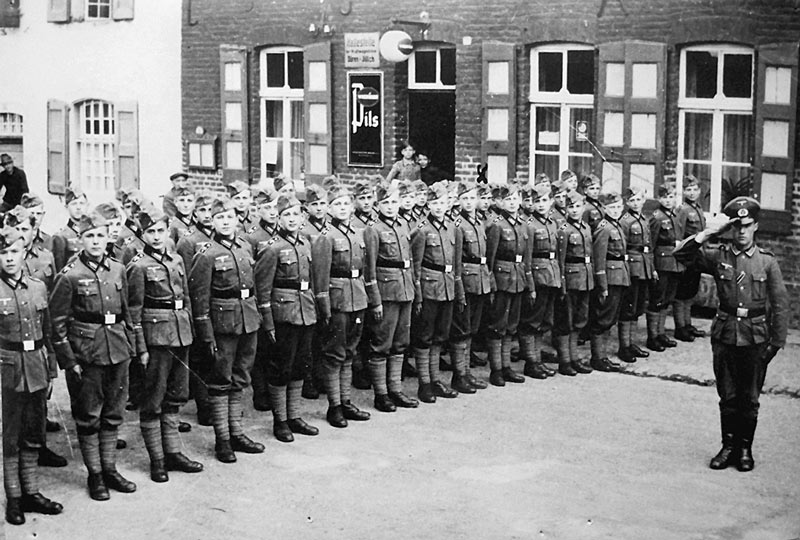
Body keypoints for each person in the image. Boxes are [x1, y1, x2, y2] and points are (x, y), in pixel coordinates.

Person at [674, 197, 787, 472]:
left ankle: (745, 449)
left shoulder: (767, 262)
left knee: (749, 399)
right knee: (728, 396)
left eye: (747, 226)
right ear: (730, 229)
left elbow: (780, 304)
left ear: (755, 226)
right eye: (737, 226)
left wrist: (776, 343)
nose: (742, 232)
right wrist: (708, 233)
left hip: (755, 338)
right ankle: (727, 447)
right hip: (725, 335)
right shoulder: (718, 256)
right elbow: (681, 254)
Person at [50, 211, 137, 501]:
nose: (96, 241)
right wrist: (69, 361)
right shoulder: (70, 275)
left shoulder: (118, 268)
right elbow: (57, 323)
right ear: (81, 239)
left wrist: (132, 346)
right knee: (89, 415)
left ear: (109, 236)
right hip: (86, 352)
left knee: (113, 411)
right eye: (90, 236)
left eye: (100, 235)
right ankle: (95, 474)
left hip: (118, 347)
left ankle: (110, 468)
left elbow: (126, 311)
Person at [127, 204, 203, 482]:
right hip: (156, 338)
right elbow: (134, 312)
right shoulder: (137, 266)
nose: (157, 237)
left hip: (180, 333)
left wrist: (190, 329)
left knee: (175, 395)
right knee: (153, 399)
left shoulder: (176, 260)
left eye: (161, 231)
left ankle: (173, 452)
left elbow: (187, 298)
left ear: (168, 231)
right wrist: (141, 348)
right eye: (150, 232)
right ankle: (157, 459)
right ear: (142, 234)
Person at [188, 194, 264, 462]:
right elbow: (199, 298)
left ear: (237, 219)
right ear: (212, 221)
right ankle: (222, 440)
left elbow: (253, 285)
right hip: (222, 324)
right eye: (219, 217)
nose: (225, 222)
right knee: (221, 379)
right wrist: (206, 334)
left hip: (247, 319)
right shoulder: (206, 254)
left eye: (229, 217)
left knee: (241, 376)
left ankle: (237, 433)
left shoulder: (245, 246)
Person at [0, 228, 63, 525]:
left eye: (14, 251)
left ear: (24, 253)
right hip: (7, 369)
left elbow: (47, 332)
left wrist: (51, 369)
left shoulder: (37, 287)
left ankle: (31, 492)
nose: (9, 258)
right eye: (3, 253)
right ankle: (14, 498)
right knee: (11, 436)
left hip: (36, 366)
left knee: (34, 431)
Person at [255, 194, 319, 442]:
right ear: (279, 219)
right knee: (281, 367)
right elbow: (262, 290)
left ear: (303, 217)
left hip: (305, 311)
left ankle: (294, 416)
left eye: (295, 214)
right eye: (286, 215)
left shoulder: (305, 243)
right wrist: (268, 322)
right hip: (283, 314)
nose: (292, 219)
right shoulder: (272, 248)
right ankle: (280, 420)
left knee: (300, 365)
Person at [311, 184, 378, 427]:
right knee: (334, 353)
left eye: (346, 203)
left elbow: (367, 269)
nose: (342, 208)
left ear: (352, 207)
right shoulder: (326, 236)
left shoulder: (359, 234)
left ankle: (346, 401)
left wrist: (371, 299)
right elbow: (320, 276)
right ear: (329, 209)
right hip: (337, 300)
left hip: (357, 296)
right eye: (337, 204)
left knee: (350, 351)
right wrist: (324, 307)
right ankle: (334, 406)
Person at [7, 206, 68, 468]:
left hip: (40, 335)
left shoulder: (45, 257)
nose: (21, 234)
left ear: (34, 231)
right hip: (13, 343)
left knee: (39, 398)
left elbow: (52, 298)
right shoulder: (6, 258)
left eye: (25, 229)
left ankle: (38, 446)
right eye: (16, 229)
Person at [410, 181, 464, 402]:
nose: (439, 207)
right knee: (425, 336)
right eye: (434, 203)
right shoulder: (421, 230)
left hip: (448, 286)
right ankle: (424, 384)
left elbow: (457, 264)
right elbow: (416, 266)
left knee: (440, 336)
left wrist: (459, 292)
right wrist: (418, 296)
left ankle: (436, 380)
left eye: (442, 202)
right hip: (429, 288)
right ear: (429, 205)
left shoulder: (453, 228)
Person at [484, 183, 532, 386]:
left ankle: (506, 367)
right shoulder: (496, 225)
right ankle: (496, 370)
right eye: (508, 200)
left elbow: (526, 256)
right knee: (498, 325)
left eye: (515, 199)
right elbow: (490, 258)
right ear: (501, 202)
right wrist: (491, 283)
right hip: (501, 279)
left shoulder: (523, 224)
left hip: (518, 277)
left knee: (511, 325)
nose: (512, 203)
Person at [176, 191, 216, 424]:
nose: (207, 215)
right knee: (202, 357)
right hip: (200, 305)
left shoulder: (224, 236)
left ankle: (219, 405)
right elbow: (186, 280)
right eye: (202, 210)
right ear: (195, 213)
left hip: (221, 305)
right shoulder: (189, 241)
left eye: (211, 210)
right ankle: (205, 406)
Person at [448, 181, 492, 390]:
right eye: (464, 198)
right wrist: (458, 288)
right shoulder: (457, 224)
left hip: (480, 279)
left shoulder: (479, 222)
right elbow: (456, 260)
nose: (468, 202)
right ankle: (459, 375)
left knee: (471, 328)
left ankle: (466, 372)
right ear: (458, 201)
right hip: (465, 280)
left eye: (472, 198)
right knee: (461, 329)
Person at [517, 183, 559, 379]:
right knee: (531, 321)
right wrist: (530, 285)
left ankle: (538, 359)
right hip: (537, 276)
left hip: (551, 275)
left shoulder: (552, 223)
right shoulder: (529, 224)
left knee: (544, 320)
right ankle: (531, 363)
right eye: (537, 201)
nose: (541, 204)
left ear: (551, 202)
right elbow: (527, 257)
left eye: (544, 200)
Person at [243, 188, 278, 412]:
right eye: (267, 207)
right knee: (262, 349)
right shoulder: (253, 236)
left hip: (283, 298)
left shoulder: (283, 231)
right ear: (257, 209)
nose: (272, 212)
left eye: (275, 207)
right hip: (262, 297)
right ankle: (261, 392)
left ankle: (275, 392)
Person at [553, 190, 594, 376]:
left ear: (584, 207)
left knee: (579, 319)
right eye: (571, 207)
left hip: (585, 278)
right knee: (566, 321)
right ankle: (565, 361)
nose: (575, 210)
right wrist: (562, 283)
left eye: (578, 206)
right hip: (570, 279)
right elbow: (560, 260)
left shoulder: (586, 228)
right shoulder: (563, 230)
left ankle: (574, 358)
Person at [587, 193, 629, 372]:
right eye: (612, 207)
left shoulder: (616, 226)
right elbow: (599, 258)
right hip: (610, 278)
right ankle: (597, 358)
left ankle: (602, 357)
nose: (616, 210)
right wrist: (602, 285)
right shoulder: (604, 228)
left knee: (610, 318)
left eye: (619, 207)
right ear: (604, 209)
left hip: (619, 276)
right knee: (602, 319)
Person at [617, 187, 655, 363]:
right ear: (626, 203)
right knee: (628, 307)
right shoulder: (625, 221)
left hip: (644, 266)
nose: (635, 203)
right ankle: (624, 346)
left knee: (638, 306)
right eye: (632, 200)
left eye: (638, 200)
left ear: (644, 200)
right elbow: (621, 248)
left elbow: (649, 245)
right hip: (632, 267)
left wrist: (652, 268)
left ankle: (631, 343)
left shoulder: (644, 219)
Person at [647, 183, 683, 351]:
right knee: (657, 299)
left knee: (667, 299)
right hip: (661, 263)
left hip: (674, 263)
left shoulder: (674, 215)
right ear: (659, 198)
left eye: (671, 197)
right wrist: (652, 267)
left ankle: (660, 333)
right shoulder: (657, 217)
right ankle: (652, 337)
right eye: (664, 197)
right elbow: (651, 244)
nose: (668, 200)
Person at [673, 176, 707, 342]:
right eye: (688, 190)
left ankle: (687, 325)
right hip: (686, 256)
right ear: (683, 191)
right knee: (682, 293)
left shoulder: (698, 208)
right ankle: (680, 328)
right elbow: (678, 236)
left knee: (691, 292)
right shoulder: (683, 210)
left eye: (695, 189)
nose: (692, 193)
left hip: (696, 255)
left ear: (699, 191)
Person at [51, 186, 88, 271]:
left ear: (87, 206)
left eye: (82, 203)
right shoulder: (61, 236)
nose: (78, 207)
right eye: (74, 204)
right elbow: (59, 269)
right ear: (66, 207)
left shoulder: (92, 233)